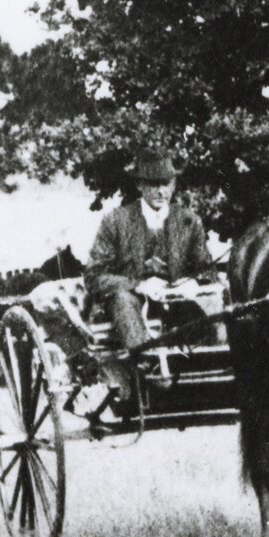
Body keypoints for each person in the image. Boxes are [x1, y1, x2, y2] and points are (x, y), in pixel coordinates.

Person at [86, 150, 218, 397]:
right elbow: (94, 275)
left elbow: (207, 270)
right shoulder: (116, 221)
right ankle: (144, 362)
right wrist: (138, 286)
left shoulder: (189, 221)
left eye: (166, 183)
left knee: (211, 322)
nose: (161, 191)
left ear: (175, 183)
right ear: (139, 185)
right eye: (153, 184)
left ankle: (208, 369)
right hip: (129, 307)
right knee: (124, 299)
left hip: (176, 305)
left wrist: (193, 283)